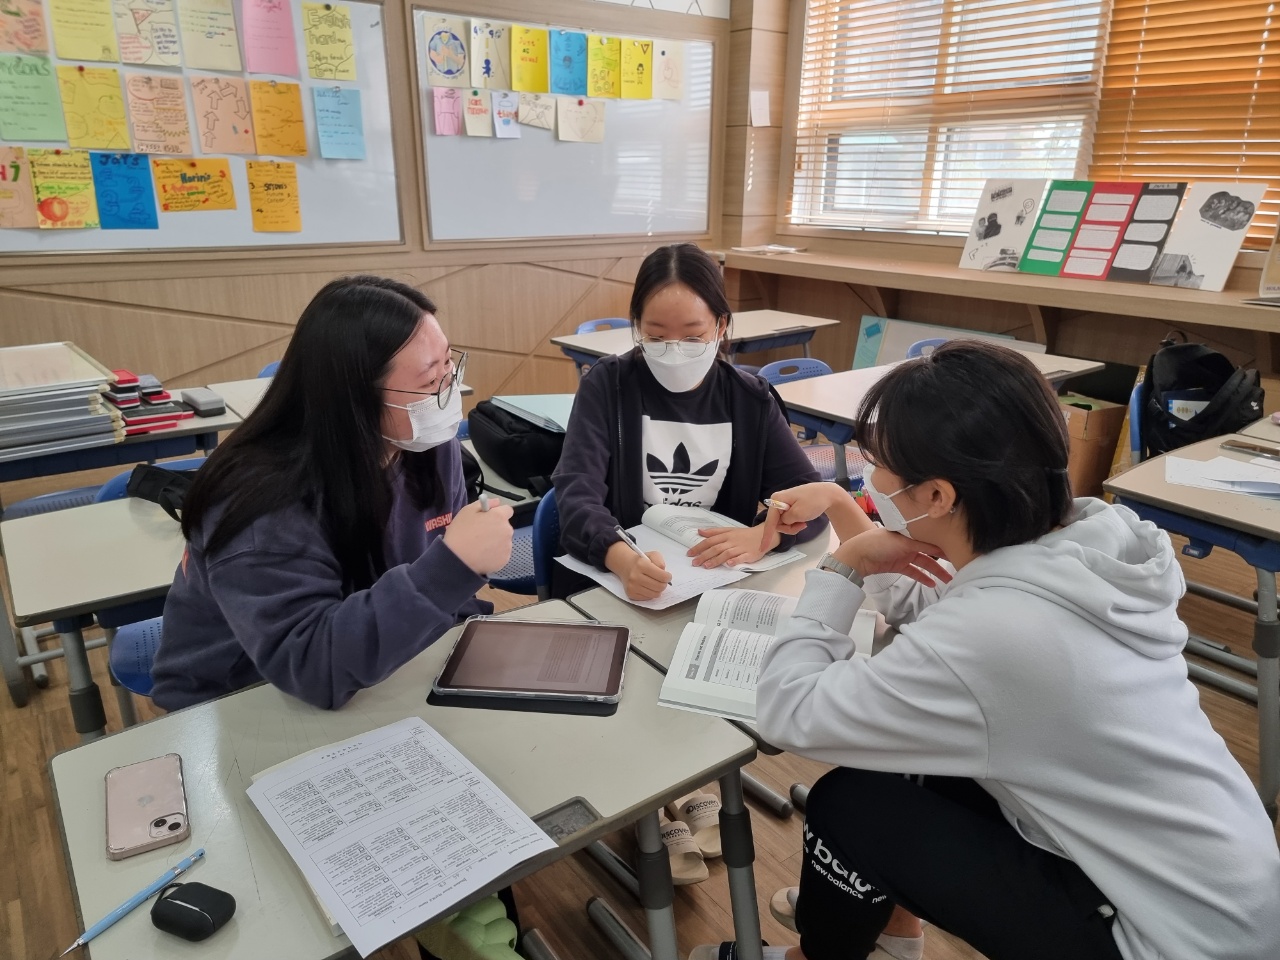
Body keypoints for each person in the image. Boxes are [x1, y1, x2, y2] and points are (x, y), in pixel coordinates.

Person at [693, 339, 1280, 960]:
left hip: (1160, 939)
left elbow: (789, 713)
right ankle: (893, 932)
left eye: (875, 462)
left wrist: (838, 572)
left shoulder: (1001, 630)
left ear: (939, 497)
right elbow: (940, 605)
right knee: (914, 759)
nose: (868, 473)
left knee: (850, 802)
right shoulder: (1086, 535)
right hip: (1225, 893)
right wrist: (846, 512)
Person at [152, 276, 515, 711]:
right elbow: (310, 667)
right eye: (428, 381)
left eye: (449, 367)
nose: (448, 392)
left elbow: (447, 603)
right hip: (244, 698)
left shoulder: (428, 447)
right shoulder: (259, 502)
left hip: (384, 670)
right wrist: (454, 567)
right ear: (355, 397)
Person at [552, 242, 828, 601]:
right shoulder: (608, 385)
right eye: (655, 336)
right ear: (637, 327)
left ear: (720, 325)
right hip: (622, 577)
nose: (674, 350)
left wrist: (765, 535)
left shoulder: (749, 400)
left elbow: (811, 498)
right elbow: (576, 494)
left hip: (716, 581)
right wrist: (621, 559)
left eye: (693, 337)